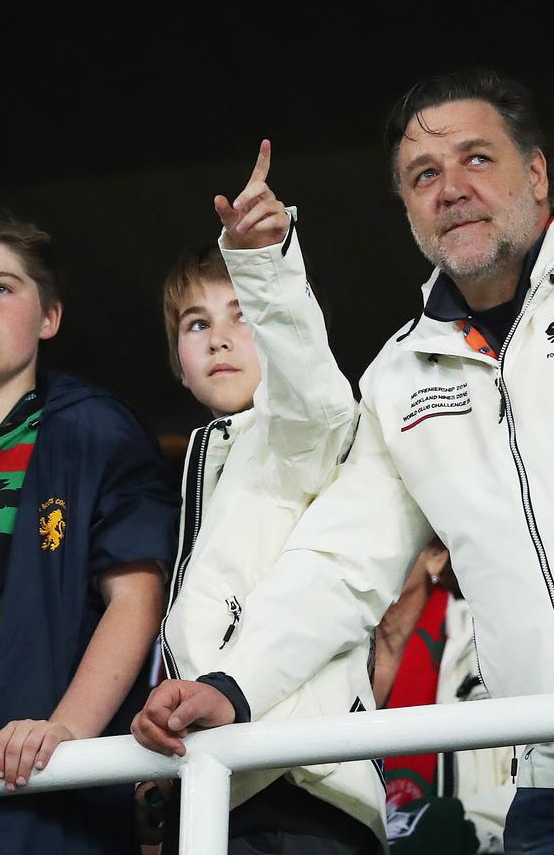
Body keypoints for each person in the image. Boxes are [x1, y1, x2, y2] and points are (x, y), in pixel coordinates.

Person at [130, 70, 554, 853]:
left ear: (537, 171)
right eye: (424, 174)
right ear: (406, 207)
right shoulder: (402, 377)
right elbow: (341, 561)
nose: (451, 189)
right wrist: (233, 689)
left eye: (477, 158)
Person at [132, 142, 389, 854]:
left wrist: (265, 264)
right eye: (196, 323)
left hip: (302, 789)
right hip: (219, 789)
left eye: (243, 314)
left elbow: (312, 393)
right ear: (177, 364)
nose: (219, 338)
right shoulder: (201, 462)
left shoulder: (298, 427)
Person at [0, 213, 178, 855]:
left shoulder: (92, 430)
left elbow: (137, 598)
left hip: (27, 799)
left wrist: (66, 729)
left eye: (3, 288)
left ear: (50, 318)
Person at [376, 538, 516, 854]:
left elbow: (545, 774)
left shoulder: (489, 644)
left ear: (436, 556)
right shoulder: (331, 648)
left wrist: (460, 825)